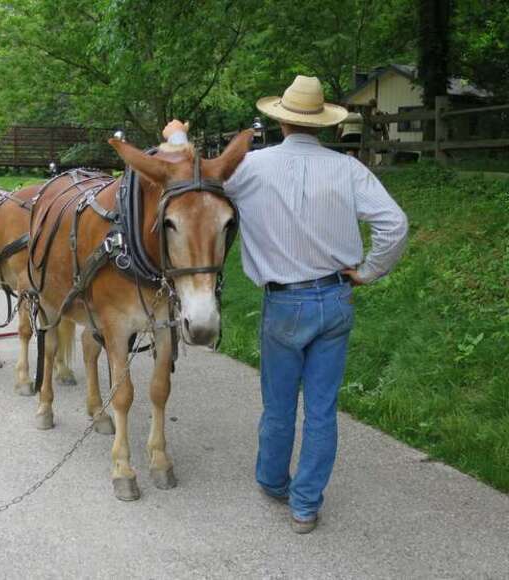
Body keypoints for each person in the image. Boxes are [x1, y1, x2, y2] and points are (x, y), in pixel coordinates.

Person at [164, 75, 408, 534]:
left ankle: (273, 481)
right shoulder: (348, 169)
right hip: (336, 297)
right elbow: (395, 224)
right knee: (321, 409)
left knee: (279, 406)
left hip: (285, 303)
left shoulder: (251, 169)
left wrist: (177, 136)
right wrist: (371, 270)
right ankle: (305, 506)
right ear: (327, 126)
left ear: (280, 121)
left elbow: (198, 174)